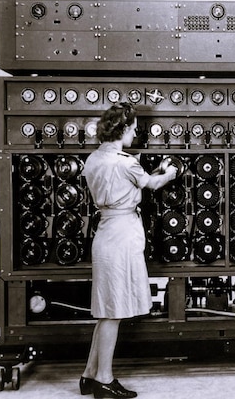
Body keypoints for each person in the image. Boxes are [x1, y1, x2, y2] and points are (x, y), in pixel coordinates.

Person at [79, 102, 178, 398]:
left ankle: (88, 375)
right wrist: (169, 172)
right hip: (122, 235)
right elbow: (152, 183)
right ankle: (105, 381)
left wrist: (149, 171)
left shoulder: (94, 159)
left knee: (106, 310)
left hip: (105, 233)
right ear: (122, 129)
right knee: (113, 312)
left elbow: (126, 180)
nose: (135, 135)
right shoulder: (125, 162)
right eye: (133, 130)